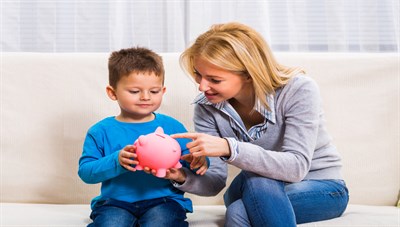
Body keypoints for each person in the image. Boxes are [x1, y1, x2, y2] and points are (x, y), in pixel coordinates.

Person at [172, 22, 349, 226]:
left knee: (239, 210)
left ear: (248, 73)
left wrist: (230, 148)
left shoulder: (299, 90)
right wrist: (181, 176)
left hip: (322, 188)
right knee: (256, 179)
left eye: (214, 79)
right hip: (250, 186)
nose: (202, 86)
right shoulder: (206, 108)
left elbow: (297, 167)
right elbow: (215, 182)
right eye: (198, 74)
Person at [78, 47, 210, 227]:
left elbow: (192, 164)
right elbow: (86, 173)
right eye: (134, 91)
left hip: (164, 201)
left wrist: (200, 161)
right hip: (115, 203)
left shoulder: (173, 127)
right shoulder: (100, 131)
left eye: (154, 91)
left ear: (163, 91)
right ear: (112, 92)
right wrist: (117, 160)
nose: (145, 97)